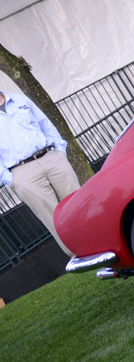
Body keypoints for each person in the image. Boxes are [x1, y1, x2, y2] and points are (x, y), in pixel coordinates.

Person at [0, 89, 78, 255]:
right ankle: (77, 253)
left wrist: (60, 151)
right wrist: (10, 179)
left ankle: (99, 241)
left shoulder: (20, 100)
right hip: (21, 172)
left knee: (78, 203)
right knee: (50, 215)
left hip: (51, 157)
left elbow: (45, 124)